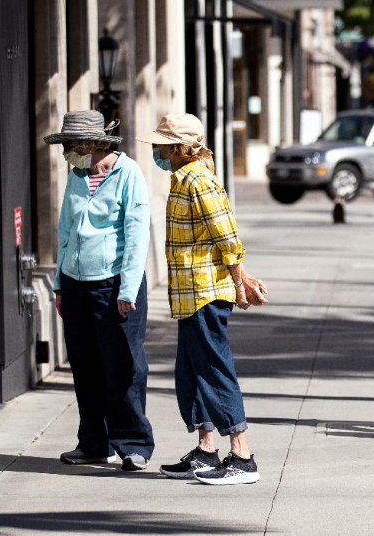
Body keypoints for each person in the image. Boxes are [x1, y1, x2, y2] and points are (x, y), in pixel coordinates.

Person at [139, 113, 269, 486]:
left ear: (180, 148)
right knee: (191, 373)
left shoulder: (199, 181)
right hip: (188, 295)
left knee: (213, 369)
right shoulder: (182, 180)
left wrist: (239, 282)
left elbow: (227, 236)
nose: (158, 152)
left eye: (163, 146)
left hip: (205, 294)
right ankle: (206, 450)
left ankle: (242, 457)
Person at [45, 110, 155, 472]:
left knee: (123, 365)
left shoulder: (128, 174)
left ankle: (133, 444)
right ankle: (93, 443)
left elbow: (137, 234)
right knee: (85, 365)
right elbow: (65, 231)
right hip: (76, 284)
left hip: (115, 284)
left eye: (72, 145)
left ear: (94, 144)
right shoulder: (77, 176)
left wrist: (128, 290)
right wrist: (60, 284)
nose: (67, 152)